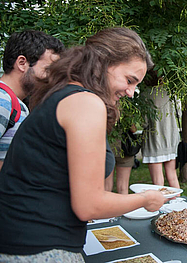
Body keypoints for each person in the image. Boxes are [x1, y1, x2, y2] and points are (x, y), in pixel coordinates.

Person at [0, 27, 168, 261]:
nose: (131, 92)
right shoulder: (85, 102)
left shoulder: (66, 96)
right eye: (129, 80)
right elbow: (89, 205)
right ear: (103, 63)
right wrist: (147, 199)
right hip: (40, 248)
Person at [0, 30, 64, 170]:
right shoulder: (3, 100)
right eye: (48, 70)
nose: (51, 79)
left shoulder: (15, 103)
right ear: (22, 63)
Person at [141, 69, 180, 188]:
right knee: (172, 176)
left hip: (154, 140)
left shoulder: (146, 94)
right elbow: (179, 113)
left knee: (158, 180)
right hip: (171, 138)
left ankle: (160, 206)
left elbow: (144, 122)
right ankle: (177, 204)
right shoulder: (171, 92)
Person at [105, 125, 138, 194]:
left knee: (106, 187)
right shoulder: (129, 114)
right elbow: (134, 129)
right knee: (123, 187)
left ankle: (105, 204)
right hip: (125, 148)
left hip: (109, 148)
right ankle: (124, 204)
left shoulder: (105, 114)